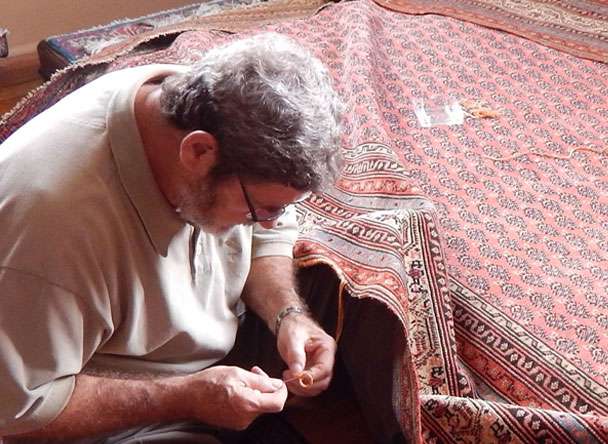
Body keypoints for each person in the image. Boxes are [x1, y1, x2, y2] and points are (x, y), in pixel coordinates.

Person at [0, 33, 405, 443]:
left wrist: (287, 316)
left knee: (371, 301)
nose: (269, 223)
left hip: (197, 364)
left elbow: (271, 232)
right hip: (108, 407)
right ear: (198, 153)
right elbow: (19, 415)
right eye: (261, 208)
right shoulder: (51, 232)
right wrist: (186, 397)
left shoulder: (196, 113)